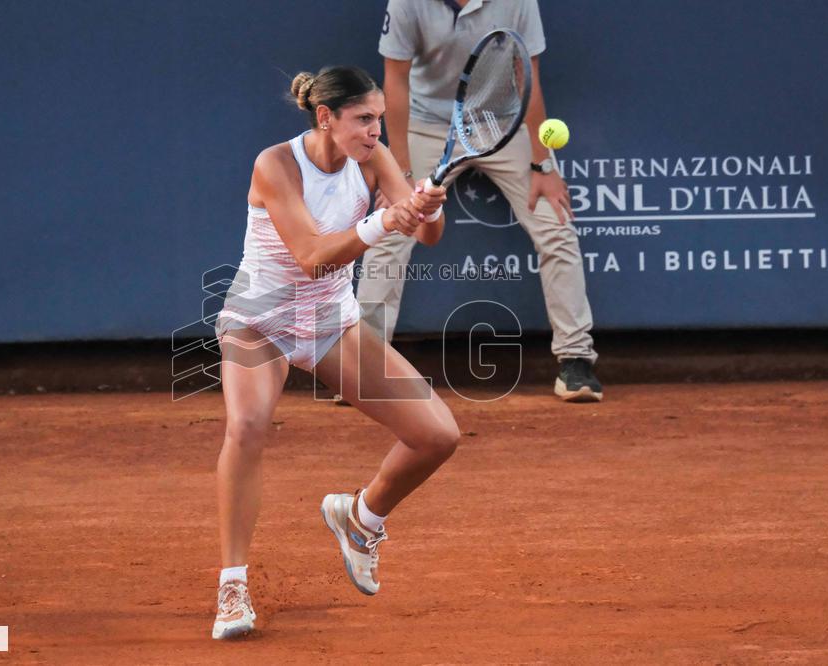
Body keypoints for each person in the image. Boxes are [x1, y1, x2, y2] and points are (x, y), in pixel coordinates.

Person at [210, 66, 461, 640]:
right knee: (246, 426)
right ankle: (232, 586)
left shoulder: (374, 157)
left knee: (438, 436)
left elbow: (427, 235)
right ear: (326, 118)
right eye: (364, 119)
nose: (376, 131)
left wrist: (428, 206)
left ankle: (361, 517)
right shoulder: (275, 164)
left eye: (378, 119)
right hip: (261, 320)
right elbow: (310, 256)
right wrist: (381, 223)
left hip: (329, 323)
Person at [359, 0, 604, 402]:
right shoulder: (407, 3)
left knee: (556, 227)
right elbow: (395, 82)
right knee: (389, 231)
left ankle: (575, 360)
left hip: (504, 124)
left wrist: (543, 163)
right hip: (426, 126)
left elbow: (528, 76)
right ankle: (363, 367)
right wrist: (400, 173)